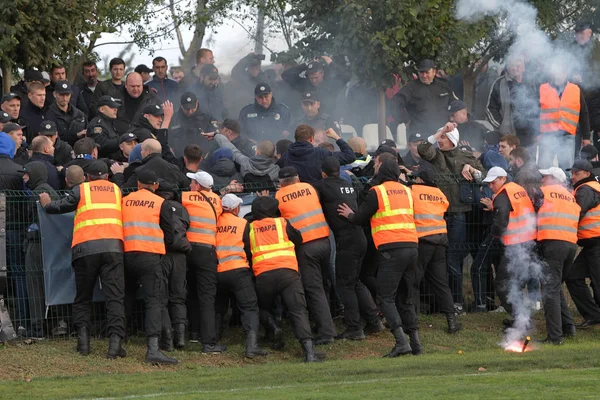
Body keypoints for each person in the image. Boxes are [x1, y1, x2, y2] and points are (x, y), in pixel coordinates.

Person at [39, 161, 126, 359]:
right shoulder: (116, 190)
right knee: (115, 298)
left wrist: (46, 204)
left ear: (87, 177)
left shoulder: (82, 190)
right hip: (113, 248)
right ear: (106, 177)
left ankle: (83, 343)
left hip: (85, 249)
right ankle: (115, 344)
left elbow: (60, 206)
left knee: (83, 298)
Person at [338, 158, 421, 356]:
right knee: (405, 298)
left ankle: (401, 341)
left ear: (381, 173)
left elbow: (360, 218)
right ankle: (416, 344)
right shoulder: (408, 191)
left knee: (385, 298)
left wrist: (350, 214)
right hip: (412, 246)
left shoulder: (378, 192)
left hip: (391, 249)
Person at [244, 196, 324, 362]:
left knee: (260, 307)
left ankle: (273, 327)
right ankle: (309, 352)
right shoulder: (282, 223)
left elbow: (246, 249)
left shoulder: (250, 228)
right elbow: (299, 239)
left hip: (263, 275)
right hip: (288, 273)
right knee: (298, 310)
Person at [418, 122, 485, 311]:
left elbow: (483, 176)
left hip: (458, 215)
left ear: (453, 140)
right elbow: (423, 148)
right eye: (439, 138)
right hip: (439, 214)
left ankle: (457, 302)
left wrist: (470, 169)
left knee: (453, 260)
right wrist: (440, 131)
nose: (440, 141)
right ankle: (443, 301)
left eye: (444, 138)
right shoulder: (436, 155)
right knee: (439, 260)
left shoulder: (465, 155)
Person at [314, 158, 383, 339]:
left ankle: (354, 328)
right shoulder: (348, 183)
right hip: (359, 236)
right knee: (355, 281)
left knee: (345, 285)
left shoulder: (323, 186)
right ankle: (374, 321)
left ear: (323, 173)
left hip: (346, 240)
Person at [120, 169, 178, 364]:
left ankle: (120, 338)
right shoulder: (161, 203)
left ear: (138, 184)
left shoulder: (125, 200)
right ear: (156, 185)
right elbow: (170, 235)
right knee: (153, 300)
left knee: (125, 296)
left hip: (127, 254)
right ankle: (153, 349)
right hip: (150, 255)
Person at [275, 167, 337, 343]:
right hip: (325, 241)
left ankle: (327, 333)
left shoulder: (279, 196)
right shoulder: (310, 188)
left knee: (313, 288)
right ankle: (325, 323)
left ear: (281, 183)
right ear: (298, 177)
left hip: (305, 246)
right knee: (323, 285)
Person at [480, 167, 537, 325]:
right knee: (514, 283)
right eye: (489, 183)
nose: (491, 186)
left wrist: (495, 235)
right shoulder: (518, 189)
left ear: (503, 178)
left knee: (503, 284)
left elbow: (500, 223)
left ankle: (522, 320)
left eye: (493, 182)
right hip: (528, 241)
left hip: (517, 244)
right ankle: (521, 317)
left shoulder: (503, 195)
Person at [215, 194, 268, 358]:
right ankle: (251, 346)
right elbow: (248, 248)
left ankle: (214, 341)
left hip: (217, 271)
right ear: (236, 208)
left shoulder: (214, 222)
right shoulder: (243, 223)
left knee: (218, 308)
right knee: (250, 307)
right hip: (238, 270)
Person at [410, 169, 462, 333]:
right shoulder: (440, 193)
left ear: (420, 179)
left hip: (422, 240)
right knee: (441, 283)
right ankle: (452, 321)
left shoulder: (413, 190)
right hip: (440, 241)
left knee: (413, 280)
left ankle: (411, 321)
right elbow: (445, 207)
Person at [181, 171, 227, 353]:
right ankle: (208, 342)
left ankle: (193, 333)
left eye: (192, 182)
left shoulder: (186, 197)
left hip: (188, 249)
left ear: (198, 186)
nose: (190, 184)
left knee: (191, 292)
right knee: (207, 296)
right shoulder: (217, 201)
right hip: (207, 251)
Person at [536, 167, 579, 344]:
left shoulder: (543, 192)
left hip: (553, 243)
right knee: (555, 286)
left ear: (554, 179)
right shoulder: (571, 196)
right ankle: (569, 328)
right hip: (570, 244)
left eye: (545, 177)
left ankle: (555, 337)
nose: (542, 180)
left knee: (549, 289)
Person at [155, 180, 191, 351]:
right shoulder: (182, 208)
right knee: (178, 297)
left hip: (162, 253)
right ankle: (181, 337)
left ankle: (167, 339)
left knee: (161, 298)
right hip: (181, 255)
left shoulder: (157, 205)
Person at [566, 159, 600, 327]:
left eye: (576, 173)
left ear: (587, 174)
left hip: (596, 242)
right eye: (572, 173)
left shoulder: (585, 189)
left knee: (596, 282)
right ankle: (594, 316)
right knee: (573, 277)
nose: (572, 176)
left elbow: (577, 212)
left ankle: (594, 316)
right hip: (592, 244)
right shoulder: (592, 187)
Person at [538, 61, 591, 169]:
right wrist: (537, 133)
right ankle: (543, 185)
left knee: (567, 168)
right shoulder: (542, 89)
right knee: (544, 168)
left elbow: (584, 113)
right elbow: (534, 112)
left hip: (567, 135)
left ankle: (566, 186)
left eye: (561, 71)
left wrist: (586, 136)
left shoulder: (575, 90)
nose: (558, 74)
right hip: (548, 135)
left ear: (566, 73)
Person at [392, 59, 457, 136]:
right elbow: (395, 104)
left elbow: (455, 104)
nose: (424, 75)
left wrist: (455, 119)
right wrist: (406, 120)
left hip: (442, 133)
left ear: (434, 72)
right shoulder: (411, 87)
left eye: (427, 72)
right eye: (421, 72)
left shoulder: (443, 86)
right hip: (419, 134)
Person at [486, 55, 537, 146]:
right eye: (511, 66)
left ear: (523, 68)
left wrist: (537, 131)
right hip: (508, 135)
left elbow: (538, 108)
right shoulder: (499, 83)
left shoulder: (532, 84)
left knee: (527, 159)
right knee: (508, 159)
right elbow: (490, 108)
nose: (514, 68)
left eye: (517, 66)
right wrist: (501, 125)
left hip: (528, 135)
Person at [284, 124, 355, 184]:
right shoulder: (320, 153)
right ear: (311, 139)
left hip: (297, 197)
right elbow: (349, 156)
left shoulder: (286, 156)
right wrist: (336, 137)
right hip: (318, 197)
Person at [282, 56, 350, 117]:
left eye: (316, 77)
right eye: (311, 78)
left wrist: (331, 63)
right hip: (307, 121)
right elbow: (286, 76)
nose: (314, 81)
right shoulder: (305, 84)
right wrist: (306, 65)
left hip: (328, 121)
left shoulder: (330, 84)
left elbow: (346, 77)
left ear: (322, 73)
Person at [111, 138, 189, 189]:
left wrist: (118, 175)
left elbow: (123, 190)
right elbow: (187, 185)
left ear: (147, 152)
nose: (141, 153)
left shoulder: (140, 171)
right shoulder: (174, 169)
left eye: (142, 150)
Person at [211, 131, 280, 185]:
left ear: (257, 152)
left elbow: (232, 149)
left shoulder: (245, 162)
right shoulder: (276, 170)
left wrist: (216, 135)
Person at [169, 92, 214, 157]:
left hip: (202, 158)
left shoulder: (207, 117)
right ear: (181, 106)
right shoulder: (174, 119)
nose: (190, 111)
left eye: (192, 108)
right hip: (180, 158)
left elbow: (214, 137)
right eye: (187, 109)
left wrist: (208, 154)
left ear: (197, 103)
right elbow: (169, 139)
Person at [45, 80, 88, 147]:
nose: (65, 98)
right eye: (61, 95)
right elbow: (50, 138)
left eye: (67, 95)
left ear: (70, 95)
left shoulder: (80, 115)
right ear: (54, 94)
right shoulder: (48, 115)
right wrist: (75, 136)